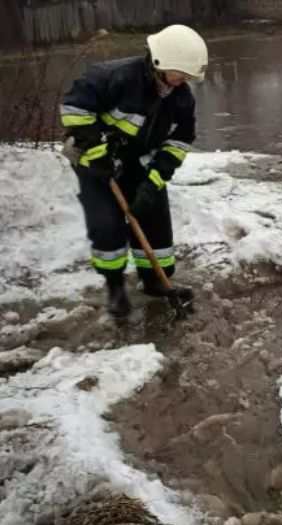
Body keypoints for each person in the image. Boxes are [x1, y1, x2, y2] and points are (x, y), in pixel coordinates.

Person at [60, 24, 208, 318]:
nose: (183, 80)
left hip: (139, 160)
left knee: (154, 215)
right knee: (108, 225)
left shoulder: (181, 97)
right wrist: (98, 150)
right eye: (180, 73)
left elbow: (180, 140)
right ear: (159, 63)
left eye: (187, 76)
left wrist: (154, 179)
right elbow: (74, 109)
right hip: (95, 158)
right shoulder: (115, 77)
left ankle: (157, 280)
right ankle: (115, 287)